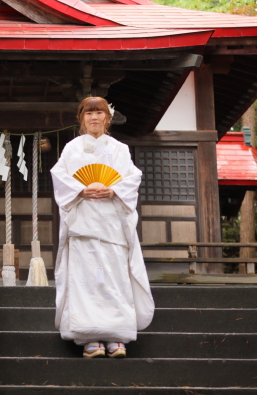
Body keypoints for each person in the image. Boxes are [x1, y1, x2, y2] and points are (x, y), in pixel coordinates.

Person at [50, 97, 154, 358]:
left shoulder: (120, 149)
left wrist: (114, 189)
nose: (94, 117)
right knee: (84, 279)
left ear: (108, 118)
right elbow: (60, 176)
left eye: (99, 113)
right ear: (81, 118)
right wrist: (80, 189)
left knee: (114, 278)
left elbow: (133, 177)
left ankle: (117, 336)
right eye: (89, 113)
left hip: (111, 222)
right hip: (83, 222)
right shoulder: (72, 149)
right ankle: (89, 337)